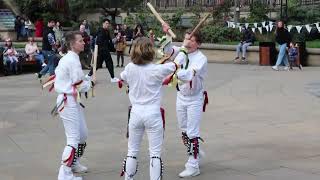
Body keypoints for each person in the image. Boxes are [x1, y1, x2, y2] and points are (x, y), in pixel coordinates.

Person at [119, 37, 179, 180]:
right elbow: (175, 65)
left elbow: (122, 78)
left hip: (136, 112)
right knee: (155, 153)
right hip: (152, 112)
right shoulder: (158, 69)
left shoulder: (129, 68)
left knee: (132, 151)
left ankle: (128, 179)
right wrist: (168, 55)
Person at [162, 23, 208, 178]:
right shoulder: (181, 51)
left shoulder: (201, 58)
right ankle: (195, 152)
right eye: (187, 39)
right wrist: (167, 33)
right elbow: (167, 51)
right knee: (184, 131)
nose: (188, 42)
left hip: (195, 98)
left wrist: (172, 71)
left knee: (192, 132)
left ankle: (193, 165)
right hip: (181, 97)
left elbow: (188, 74)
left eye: (192, 40)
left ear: (198, 44)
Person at [55, 31, 94, 180]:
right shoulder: (71, 59)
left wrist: (87, 79)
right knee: (73, 138)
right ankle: (64, 174)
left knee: (82, 134)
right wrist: (89, 84)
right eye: (80, 41)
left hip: (71, 100)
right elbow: (78, 85)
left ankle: (74, 162)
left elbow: (76, 79)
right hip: (67, 101)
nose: (83, 42)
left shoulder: (71, 58)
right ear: (72, 44)